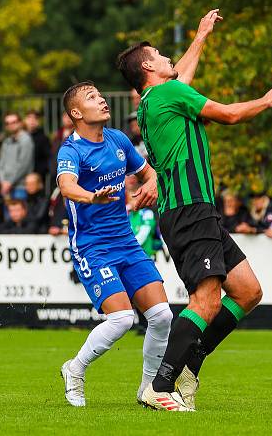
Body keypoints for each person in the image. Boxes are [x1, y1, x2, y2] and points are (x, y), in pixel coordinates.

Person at [118, 8, 272, 411]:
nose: (167, 58)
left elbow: (182, 77)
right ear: (148, 66)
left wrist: (201, 36)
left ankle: (192, 359)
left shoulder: (154, 101)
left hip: (192, 211)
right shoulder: (167, 95)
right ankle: (160, 386)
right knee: (207, 301)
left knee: (247, 292)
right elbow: (228, 114)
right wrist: (265, 100)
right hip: (189, 210)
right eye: (160, 54)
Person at [56, 81, 169, 410]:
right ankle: (75, 369)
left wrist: (149, 187)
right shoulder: (71, 150)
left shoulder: (119, 140)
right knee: (122, 319)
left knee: (162, 315)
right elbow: (66, 186)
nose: (102, 100)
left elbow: (151, 173)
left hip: (126, 241)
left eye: (101, 96)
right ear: (76, 113)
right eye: (93, 98)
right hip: (92, 246)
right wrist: (91, 196)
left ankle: (148, 389)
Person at [0, 111, 34, 202]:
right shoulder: (6, 141)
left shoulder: (26, 140)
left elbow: (23, 165)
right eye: (8, 123)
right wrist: (3, 182)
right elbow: (1, 164)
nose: (11, 125)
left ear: (20, 123)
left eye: (14, 122)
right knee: (7, 215)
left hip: (20, 187)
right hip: (6, 187)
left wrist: (9, 183)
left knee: (20, 215)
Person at [126, 178, 159, 257]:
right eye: (130, 199)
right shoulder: (129, 215)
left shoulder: (147, 213)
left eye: (134, 199)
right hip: (133, 253)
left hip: (147, 255)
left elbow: (143, 234)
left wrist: (129, 246)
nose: (132, 202)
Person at [24, 110, 52, 183]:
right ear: (25, 120)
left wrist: (39, 173)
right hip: (21, 176)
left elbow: (48, 157)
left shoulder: (43, 138)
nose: (32, 121)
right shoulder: (21, 136)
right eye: (29, 118)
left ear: (38, 121)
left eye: (35, 118)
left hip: (36, 177)